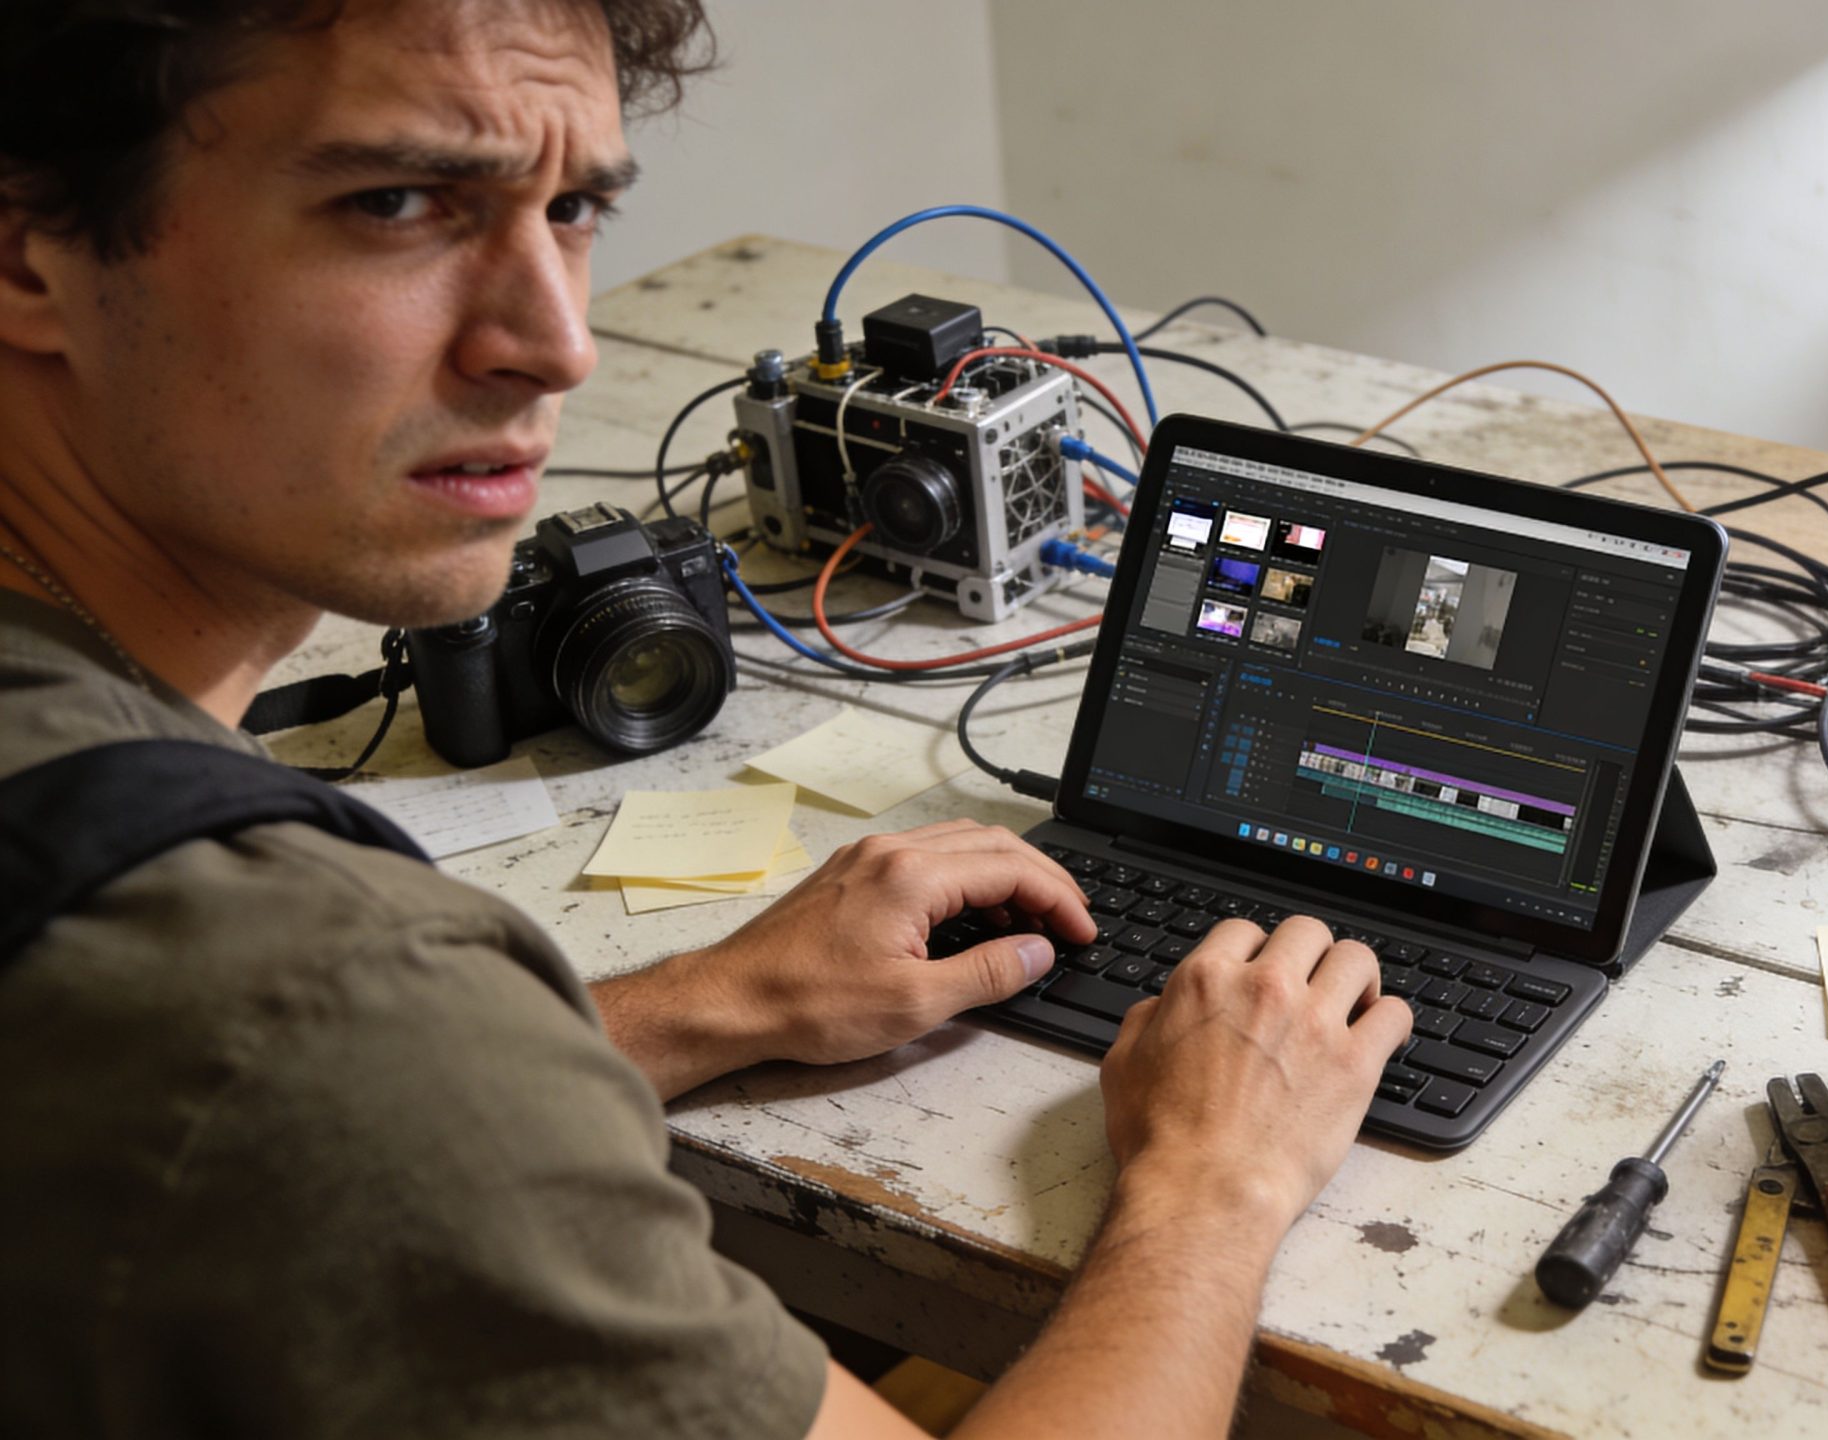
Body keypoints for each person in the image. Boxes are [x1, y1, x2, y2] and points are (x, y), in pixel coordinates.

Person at [0, 1, 1412, 1435]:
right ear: (26, 251)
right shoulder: (308, 1001)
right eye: (399, 203)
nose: (557, 343)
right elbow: (333, 1084)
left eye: (573, 208)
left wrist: (713, 1001)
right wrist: (1212, 1184)